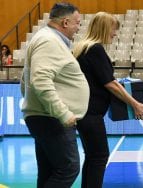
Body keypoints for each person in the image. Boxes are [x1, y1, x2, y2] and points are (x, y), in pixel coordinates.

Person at [73, 12, 143, 188]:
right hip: (90, 113)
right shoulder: (95, 49)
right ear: (105, 28)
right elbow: (110, 84)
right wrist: (134, 104)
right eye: (114, 29)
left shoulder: (82, 48)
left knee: (92, 156)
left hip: (83, 111)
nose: (115, 34)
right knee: (99, 156)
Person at [20, 2, 89, 188]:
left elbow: (25, 79)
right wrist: (63, 113)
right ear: (65, 22)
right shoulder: (49, 41)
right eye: (77, 23)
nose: (78, 28)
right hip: (52, 118)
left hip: (44, 116)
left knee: (49, 170)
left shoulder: (45, 38)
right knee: (69, 168)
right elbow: (40, 80)